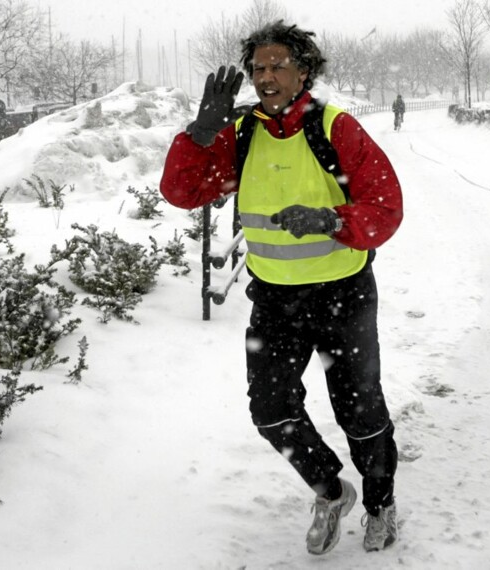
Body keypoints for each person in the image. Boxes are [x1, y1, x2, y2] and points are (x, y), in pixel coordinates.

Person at [159, 21, 403, 556]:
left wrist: (331, 220)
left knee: (358, 411)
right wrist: (197, 138)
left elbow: (385, 208)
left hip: (343, 293)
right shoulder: (241, 134)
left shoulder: (335, 129)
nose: (266, 77)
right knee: (271, 411)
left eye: (278, 66)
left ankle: (380, 501)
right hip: (274, 298)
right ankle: (332, 491)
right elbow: (184, 191)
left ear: (304, 72)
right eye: (258, 68)